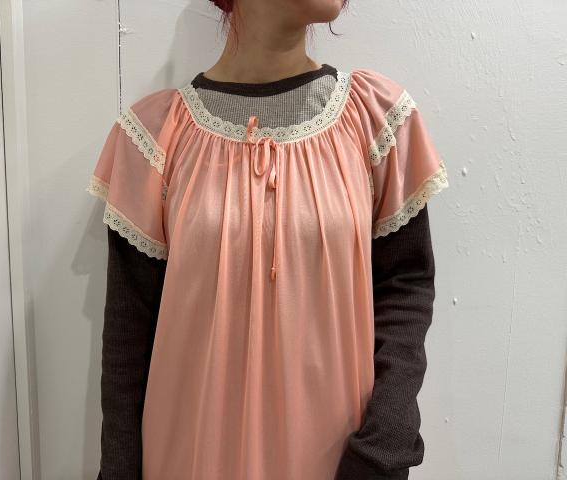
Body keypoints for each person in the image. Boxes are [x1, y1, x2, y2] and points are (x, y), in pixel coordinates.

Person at [86, 1, 450, 479]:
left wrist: (386, 443)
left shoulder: (374, 120)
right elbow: (128, 336)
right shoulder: (158, 137)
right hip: (189, 456)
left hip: (343, 463)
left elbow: (406, 288)